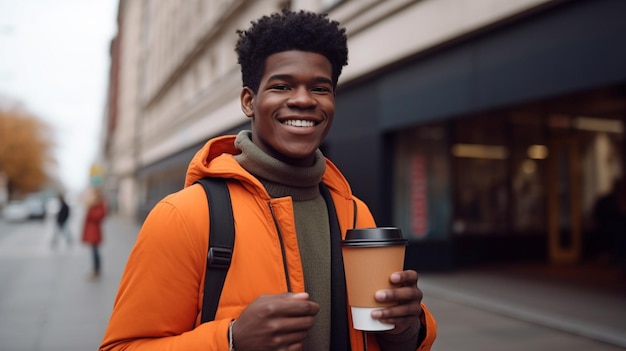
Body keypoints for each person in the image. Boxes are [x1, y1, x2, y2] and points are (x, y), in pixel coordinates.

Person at [100, 9, 436, 351]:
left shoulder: (354, 213)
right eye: (282, 85)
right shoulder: (183, 216)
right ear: (249, 101)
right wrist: (230, 341)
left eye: (320, 88)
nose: (303, 100)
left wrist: (407, 329)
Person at [81, 187, 107, 278]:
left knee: (95, 252)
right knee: (94, 251)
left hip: (95, 231)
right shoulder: (93, 204)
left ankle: (97, 270)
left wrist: (91, 210)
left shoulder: (98, 204)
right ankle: (96, 269)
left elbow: (99, 216)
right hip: (92, 231)